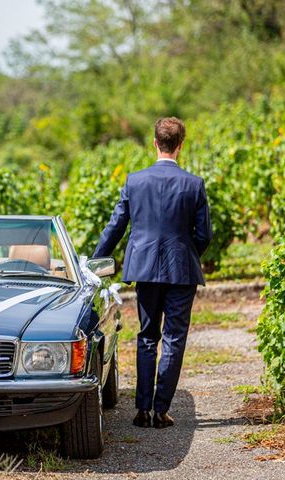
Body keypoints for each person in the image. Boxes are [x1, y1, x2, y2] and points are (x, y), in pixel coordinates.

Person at [93, 117, 212, 429]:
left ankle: (142, 410)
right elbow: (204, 234)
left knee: (147, 336)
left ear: (155, 143)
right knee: (174, 337)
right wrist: (186, 255)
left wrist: (94, 262)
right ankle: (161, 411)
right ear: (180, 145)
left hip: (144, 268)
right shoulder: (194, 183)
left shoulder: (134, 181)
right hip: (181, 269)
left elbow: (115, 227)